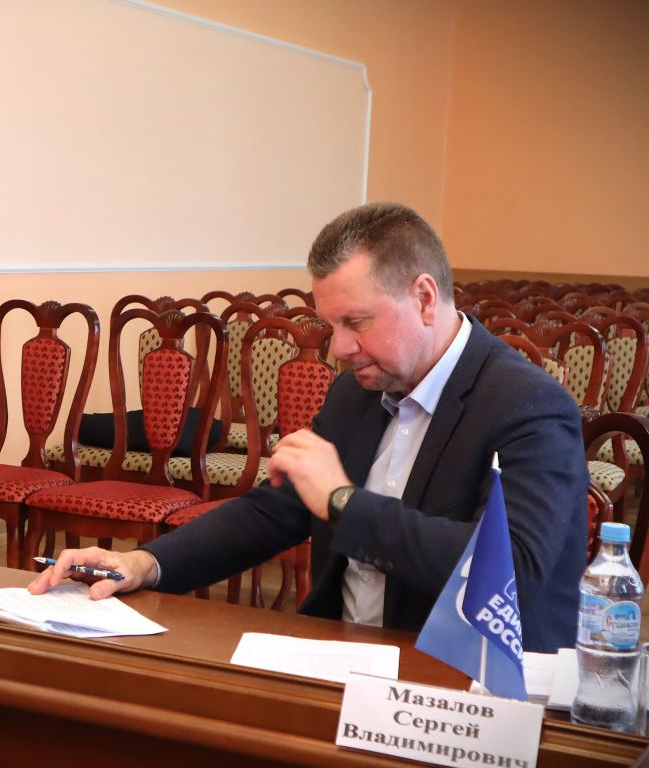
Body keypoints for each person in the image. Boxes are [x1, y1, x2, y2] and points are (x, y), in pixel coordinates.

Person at [30, 202, 587, 653]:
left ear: (424, 298)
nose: (339, 348)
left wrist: (343, 502)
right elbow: (275, 511)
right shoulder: (357, 391)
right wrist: (145, 563)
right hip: (342, 656)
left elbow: (512, 572)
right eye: (330, 325)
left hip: (460, 684)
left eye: (356, 322)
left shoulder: (528, 406)